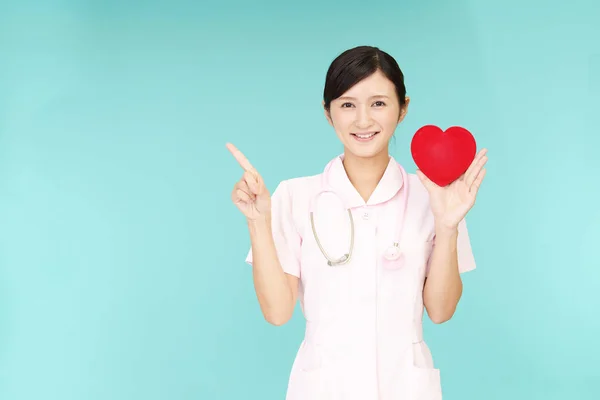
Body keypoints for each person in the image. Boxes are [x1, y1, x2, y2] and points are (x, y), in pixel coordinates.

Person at [226, 45, 487, 400]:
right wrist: (258, 223)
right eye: (347, 104)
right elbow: (277, 312)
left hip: (405, 387)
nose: (363, 120)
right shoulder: (294, 197)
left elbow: (440, 311)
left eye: (378, 103)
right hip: (323, 388)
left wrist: (448, 225)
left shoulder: (436, 197)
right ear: (328, 112)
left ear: (403, 108)